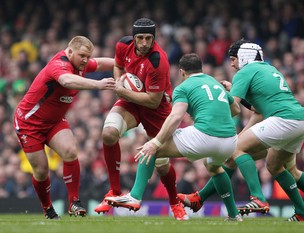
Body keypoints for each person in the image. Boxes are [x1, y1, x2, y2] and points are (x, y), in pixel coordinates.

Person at [179, 39, 304, 222]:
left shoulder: (244, 72)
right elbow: (258, 109)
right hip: (301, 120)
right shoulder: (269, 69)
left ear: (243, 57)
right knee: (279, 167)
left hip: (283, 120)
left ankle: (258, 198)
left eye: (234, 58)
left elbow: (231, 107)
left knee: (235, 149)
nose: (232, 63)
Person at [105, 53, 242, 221]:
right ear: (202, 69)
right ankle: (234, 215)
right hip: (230, 140)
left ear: (181, 72)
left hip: (205, 135)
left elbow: (176, 117)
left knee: (151, 149)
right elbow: (236, 109)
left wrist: (156, 142)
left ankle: (134, 196)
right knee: (215, 168)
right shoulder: (215, 82)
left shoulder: (183, 88)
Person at [13, 36, 115, 219]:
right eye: (82, 55)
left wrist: (129, 64)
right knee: (42, 170)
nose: (85, 60)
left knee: (70, 151)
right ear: (69, 52)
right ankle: (48, 208)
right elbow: (67, 81)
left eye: (87, 56)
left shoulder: (81, 64)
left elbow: (99, 64)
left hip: (54, 121)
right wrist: (98, 85)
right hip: (29, 123)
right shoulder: (58, 65)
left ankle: (74, 202)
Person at [94, 18, 186, 220]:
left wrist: (123, 92)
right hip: (131, 101)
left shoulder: (158, 60)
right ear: (133, 38)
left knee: (161, 164)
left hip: (156, 109)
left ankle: (174, 201)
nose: (144, 43)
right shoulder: (122, 45)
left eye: (148, 38)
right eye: (140, 38)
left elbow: (153, 101)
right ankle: (115, 191)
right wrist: (120, 83)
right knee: (108, 133)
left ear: (154, 38)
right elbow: (118, 66)